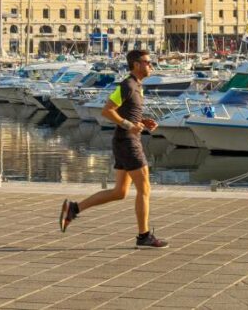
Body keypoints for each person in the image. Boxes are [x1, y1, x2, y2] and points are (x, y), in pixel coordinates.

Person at [59, 49, 168, 248]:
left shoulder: (137, 86)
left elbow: (125, 112)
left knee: (120, 192)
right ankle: (144, 236)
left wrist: (141, 121)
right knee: (144, 188)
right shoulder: (127, 85)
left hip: (125, 140)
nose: (151, 65)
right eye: (147, 62)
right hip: (127, 142)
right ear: (136, 64)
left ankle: (74, 209)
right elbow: (107, 110)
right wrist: (130, 126)